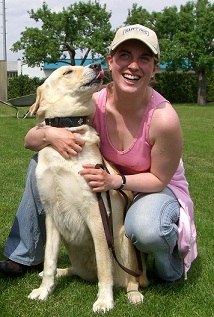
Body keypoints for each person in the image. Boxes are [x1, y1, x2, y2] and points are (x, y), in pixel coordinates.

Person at [0, 24, 197, 281]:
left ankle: (168, 265)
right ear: (111, 61)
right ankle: (23, 255)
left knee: (147, 228)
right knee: (40, 161)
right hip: (110, 187)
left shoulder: (164, 118)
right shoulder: (94, 101)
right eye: (125, 55)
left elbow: (159, 179)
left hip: (152, 188)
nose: (133, 66)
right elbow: (30, 139)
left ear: (154, 68)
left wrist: (116, 181)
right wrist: (49, 134)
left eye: (144, 58)